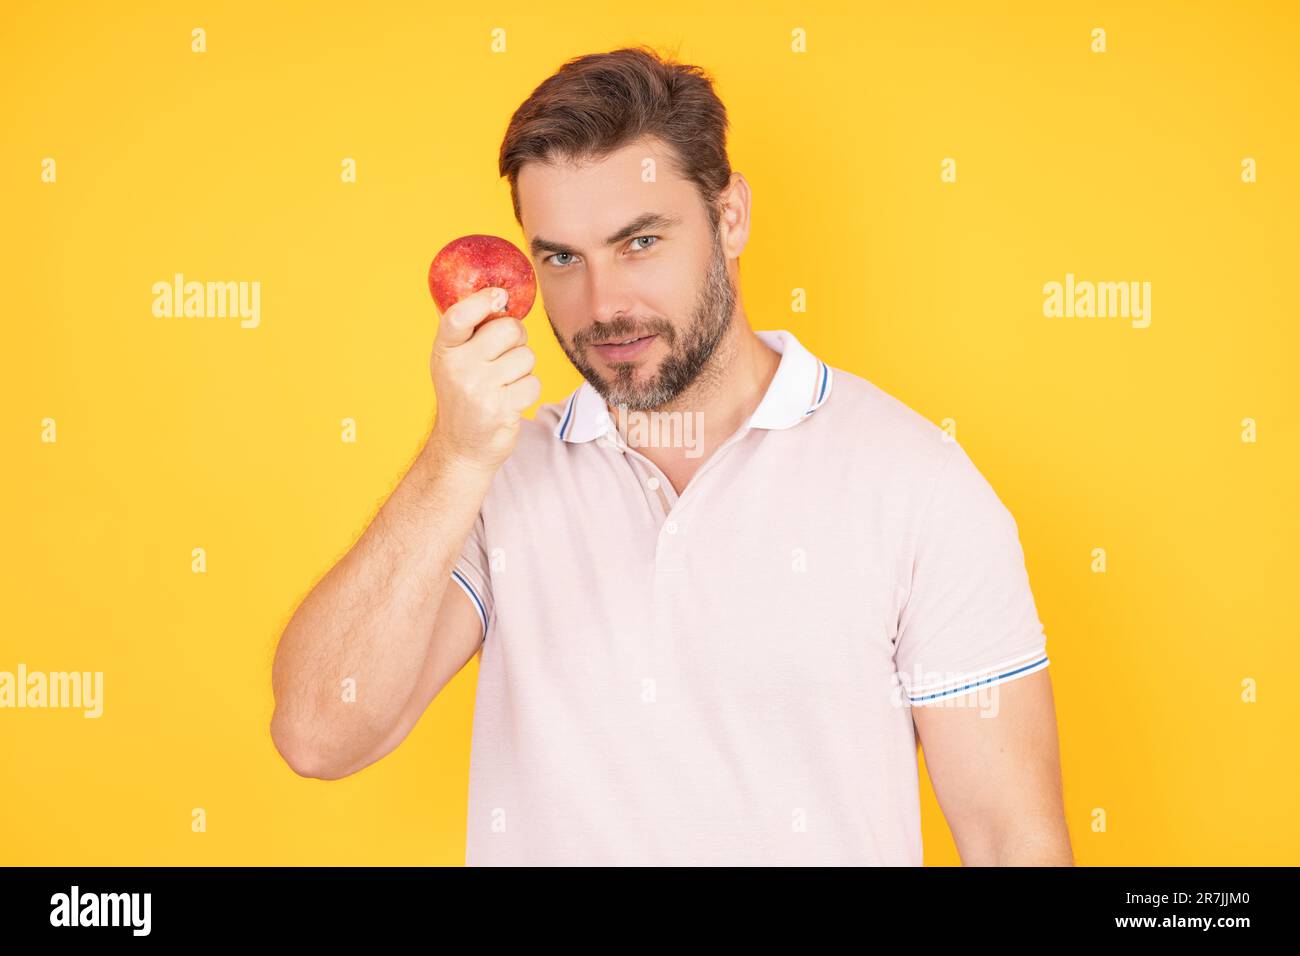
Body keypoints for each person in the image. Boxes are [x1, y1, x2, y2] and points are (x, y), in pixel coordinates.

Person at [270, 44, 1072, 866]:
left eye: (641, 241)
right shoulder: (497, 478)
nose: (605, 304)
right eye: (561, 258)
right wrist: (454, 456)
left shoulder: (917, 485)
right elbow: (318, 735)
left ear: (731, 218)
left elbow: (1012, 841)